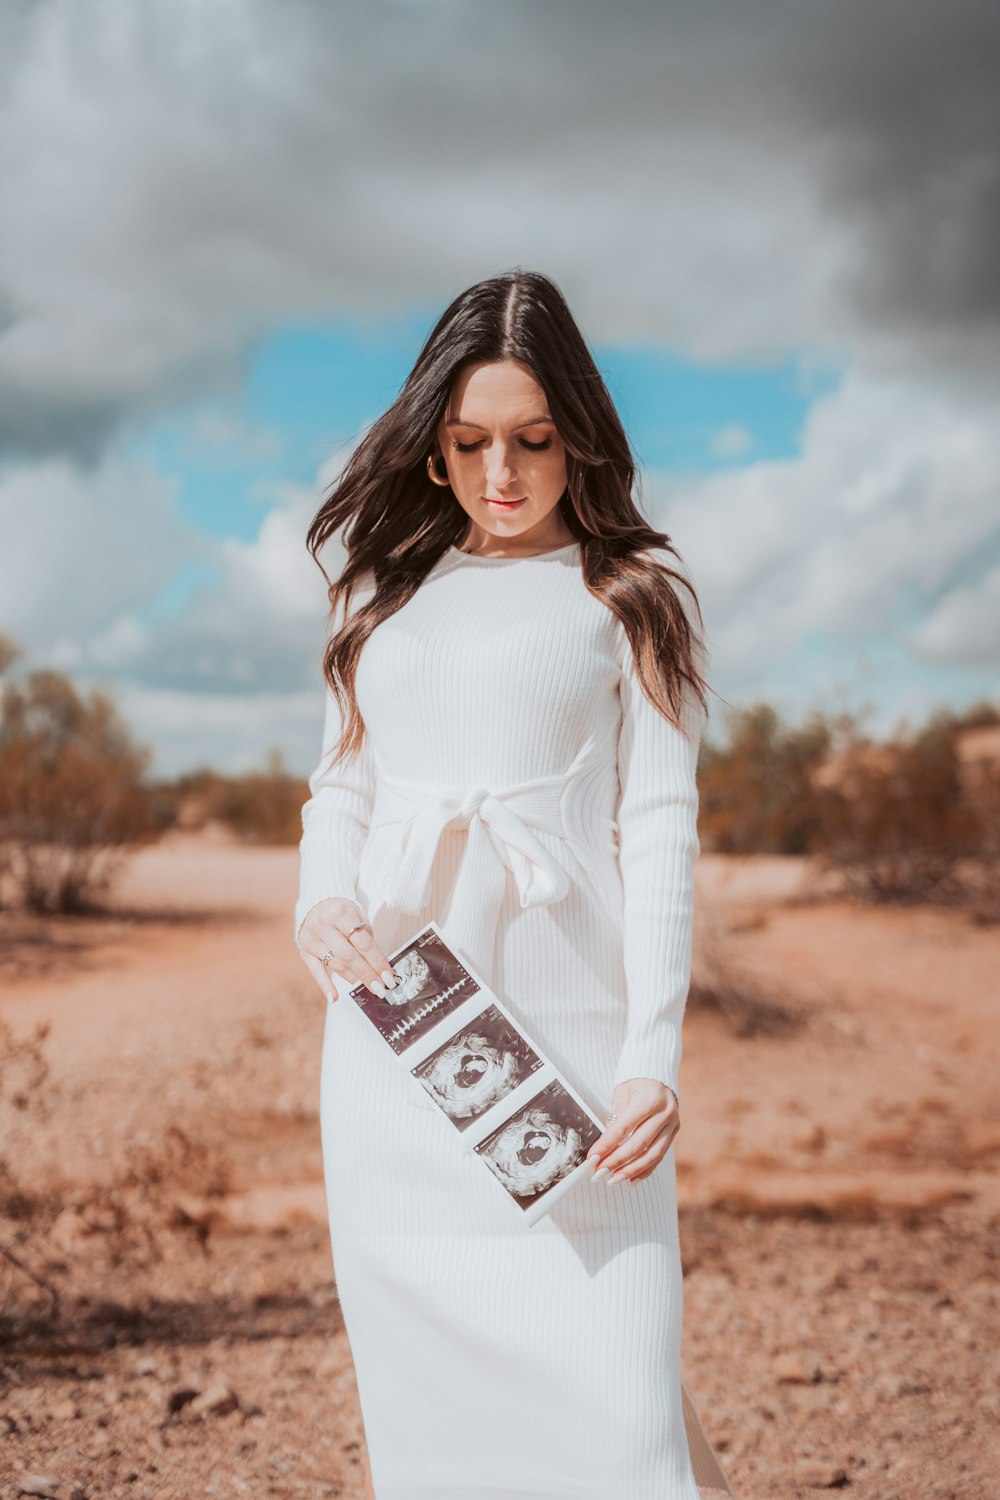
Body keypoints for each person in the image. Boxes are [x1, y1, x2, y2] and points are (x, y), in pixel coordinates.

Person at [294, 270, 734, 1500]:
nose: (503, 472)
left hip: (578, 1046)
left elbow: (659, 831)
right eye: (471, 443)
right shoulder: (376, 607)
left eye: (533, 441)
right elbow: (340, 789)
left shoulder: (628, 598)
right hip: (396, 1049)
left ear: (576, 437)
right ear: (431, 453)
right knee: (441, 1426)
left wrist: (653, 1054)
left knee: (620, 1398)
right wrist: (318, 897)